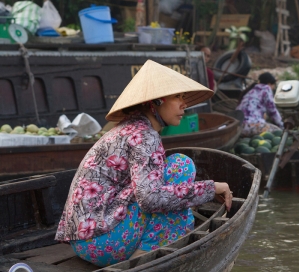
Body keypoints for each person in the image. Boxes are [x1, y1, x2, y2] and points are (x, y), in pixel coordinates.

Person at [55, 60, 233, 267]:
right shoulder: (144, 135)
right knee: (181, 167)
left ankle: (148, 248)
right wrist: (212, 188)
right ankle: (142, 261)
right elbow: (150, 200)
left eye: (184, 98)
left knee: (174, 173)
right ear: (156, 101)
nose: (184, 104)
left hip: (85, 241)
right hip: (102, 242)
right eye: (177, 97)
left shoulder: (131, 128)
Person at [236, 72, 283, 137]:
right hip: (252, 126)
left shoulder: (251, 91)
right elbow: (272, 111)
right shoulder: (266, 88)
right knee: (278, 131)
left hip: (239, 127)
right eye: (273, 85)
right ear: (269, 83)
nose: (273, 88)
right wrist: (281, 125)